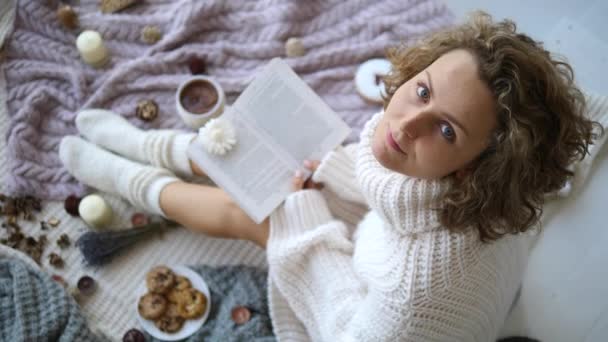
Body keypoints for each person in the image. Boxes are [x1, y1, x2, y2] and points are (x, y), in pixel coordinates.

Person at [59, 11, 602, 341]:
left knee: (264, 210)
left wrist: (301, 215)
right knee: (280, 165)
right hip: (396, 237)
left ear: (481, 168)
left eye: (447, 131)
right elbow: (390, 182)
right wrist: (333, 180)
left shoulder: (415, 293)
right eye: (422, 90)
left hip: (373, 307)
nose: (407, 125)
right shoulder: (478, 188)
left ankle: (130, 180)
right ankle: (151, 146)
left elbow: (346, 331)